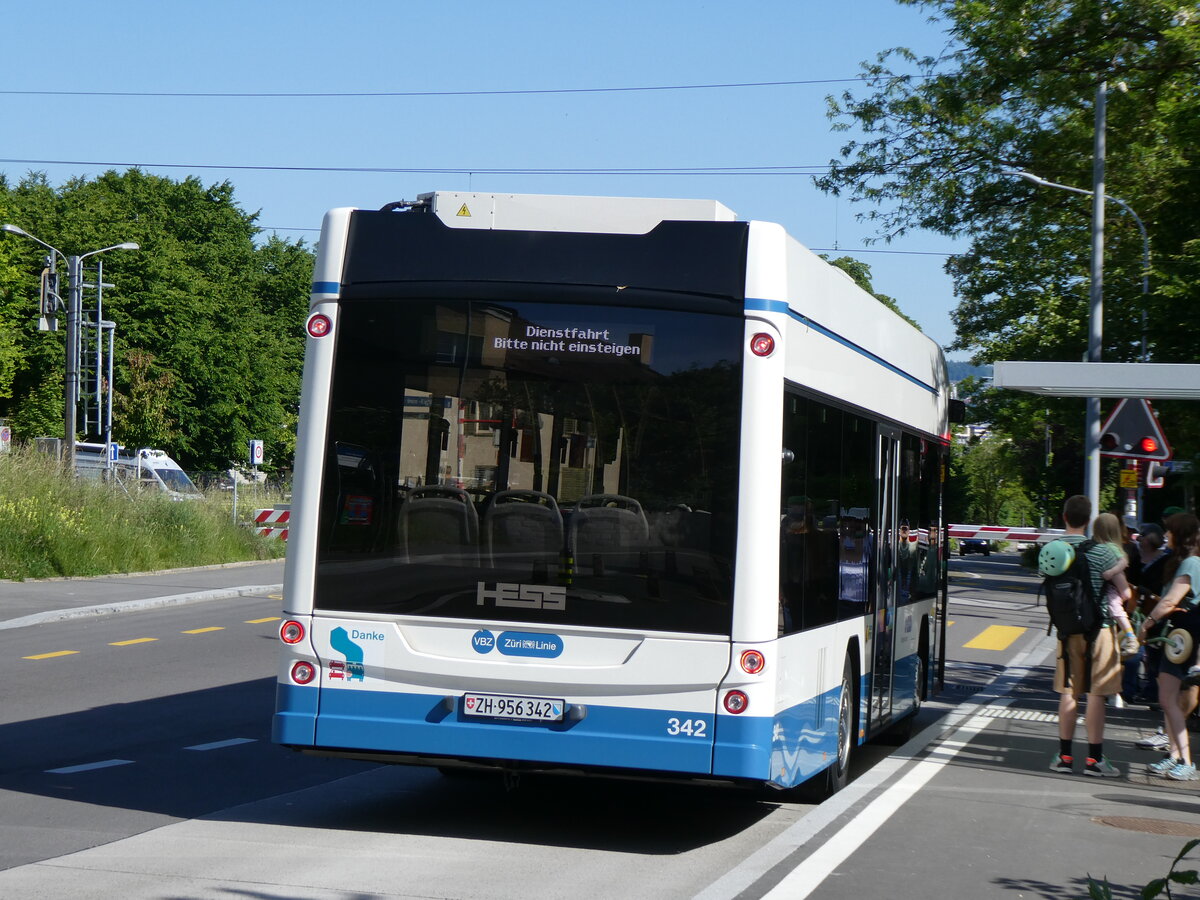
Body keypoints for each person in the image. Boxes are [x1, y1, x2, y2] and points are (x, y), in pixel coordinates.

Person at [1050, 495, 1124, 777]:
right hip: (1101, 629)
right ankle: (1094, 761)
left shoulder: (1054, 549)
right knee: (1096, 695)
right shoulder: (1105, 552)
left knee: (1069, 693)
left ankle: (1064, 757)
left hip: (1067, 632)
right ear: (1089, 520)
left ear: (1064, 516)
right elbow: (1125, 592)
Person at [1137, 513, 1200, 781]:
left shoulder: (1192, 563)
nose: (1166, 537)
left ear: (1181, 535)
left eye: (1170, 532)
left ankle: (1185, 760)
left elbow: (1170, 600)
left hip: (1184, 636)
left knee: (1169, 700)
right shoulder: (1182, 561)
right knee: (1167, 700)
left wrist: (1146, 624)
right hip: (1177, 637)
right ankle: (1174, 756)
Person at [1092, 513, 1139, 658]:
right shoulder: (1111, 546)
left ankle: (1131, 637)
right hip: (1113, 585)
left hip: (1111, 586)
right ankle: (1129, 636)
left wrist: (1111, 572)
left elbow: (1123, 562)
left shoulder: (1106, 547)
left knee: (1115, 606)